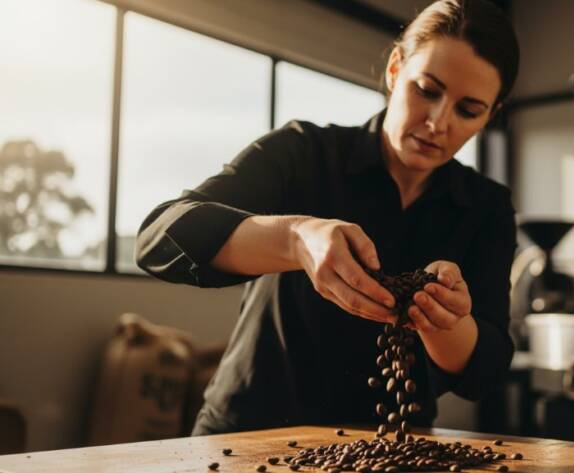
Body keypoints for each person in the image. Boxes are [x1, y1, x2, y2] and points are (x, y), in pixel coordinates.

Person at [136, 0, 519, 435]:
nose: (438, 122)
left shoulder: (487, 207)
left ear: (491, 114)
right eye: (427, 90)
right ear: (395, 69)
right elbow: (159, 237)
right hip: (249, 434)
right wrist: (295, 238)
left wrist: (447, 322)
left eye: (468, 110)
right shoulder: (301, 153)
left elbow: (484, 373)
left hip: (394, 445)